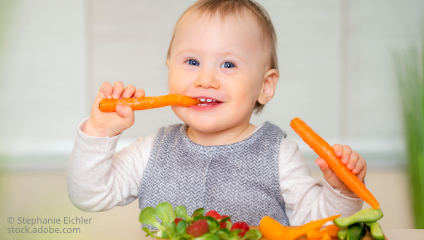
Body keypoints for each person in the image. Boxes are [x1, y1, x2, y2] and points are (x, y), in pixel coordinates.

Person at [67, 0, 365, 227]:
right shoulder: (151, 151)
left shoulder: (279, 155)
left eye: (228, 65)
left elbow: (319, 224)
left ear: (265, 85)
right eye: (192, 62)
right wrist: (99, 131)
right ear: (169, 68)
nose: (205, 80)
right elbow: (89, 196)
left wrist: (342, 191)